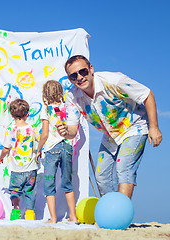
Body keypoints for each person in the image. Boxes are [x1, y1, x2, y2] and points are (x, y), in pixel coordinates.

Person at [57, 55, 162, 199]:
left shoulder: (114, 81)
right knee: (101, 176)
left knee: (124, 168)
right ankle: (110, 213)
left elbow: (147, 94)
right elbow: (72, 131)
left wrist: (154, 127)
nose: (80, 77)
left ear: (91, 69)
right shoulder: (72, 97)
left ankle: (119, 217)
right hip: (111, 133)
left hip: (134, 126)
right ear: (70, 79)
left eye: (83, 71)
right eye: (74, 76)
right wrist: (65, 132)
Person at [36, 80, 78, 223]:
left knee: (49, 184)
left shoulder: (46, 109)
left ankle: (53, 218)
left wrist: (38, 150)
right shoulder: (67, 107)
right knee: (67, 183)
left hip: (51, 149)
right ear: (60, 91)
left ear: (45, 93)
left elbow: (45, 134)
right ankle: (73, 216)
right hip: (67, 147)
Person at [0, 99, 39, 218]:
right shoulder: (33, 128)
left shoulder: (10, 129)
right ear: (27, 113)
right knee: (30, 192)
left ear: (11, 114)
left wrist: (0, 157)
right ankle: (30, 213)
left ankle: (16, 210)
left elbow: (6, 148)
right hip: (31, 169)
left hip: (16, 169)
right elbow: (41, 141)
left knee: (14, 191)